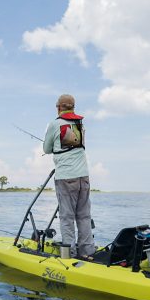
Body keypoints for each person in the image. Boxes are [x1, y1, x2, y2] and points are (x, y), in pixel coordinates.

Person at [43, 94, 95, 259]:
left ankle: (70, 254)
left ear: (58, 108)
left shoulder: (54, 124)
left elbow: (46, 149)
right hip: (83, 177)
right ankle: (87, 252)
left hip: (66, 177)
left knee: (67, 217)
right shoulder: (80, 125)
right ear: (73, 108)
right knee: (84, 216)